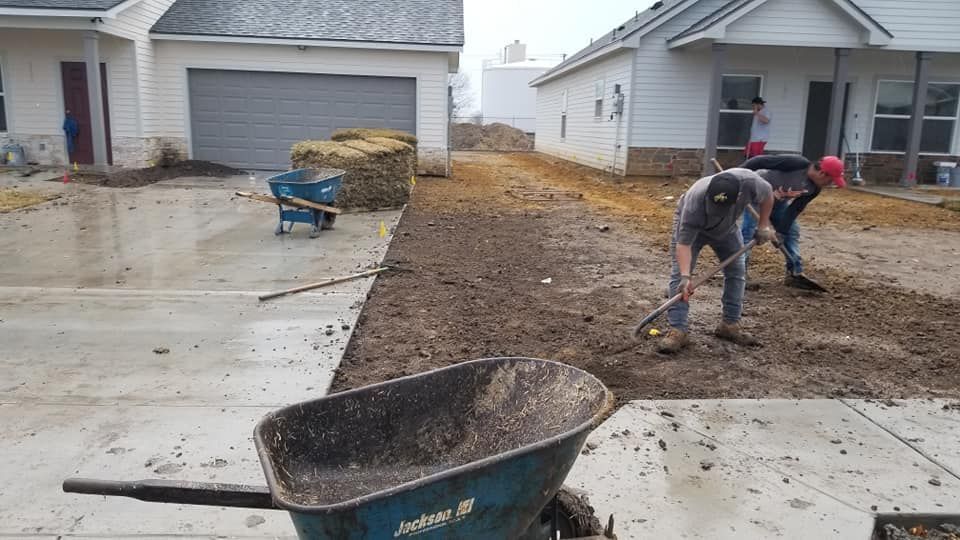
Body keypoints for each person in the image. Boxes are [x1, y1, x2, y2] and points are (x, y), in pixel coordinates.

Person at [658, 169, 776, 354]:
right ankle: (678, 330)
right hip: (693, 230)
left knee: (737, 272)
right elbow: (683, 245)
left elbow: (768, 195)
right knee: (678, 276)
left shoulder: (752, 183)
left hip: (727, 229)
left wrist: (763, 226)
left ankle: (729, 325)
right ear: (708, 195)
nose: (715, 212)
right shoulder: (694, 204)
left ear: (737, 198)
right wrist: (685, 276)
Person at [739, 155, 846, 288]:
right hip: (755, 197)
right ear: (822, 173)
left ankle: (794, 272)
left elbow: (795, 209)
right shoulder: (796, 163)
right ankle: (738, 273)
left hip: (777, 203)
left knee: (791, 232)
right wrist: (735, 175)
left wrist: (782, 232)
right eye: (830, 180)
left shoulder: (814, 189)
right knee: (749, 233)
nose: (830, 184)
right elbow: (759, 161)